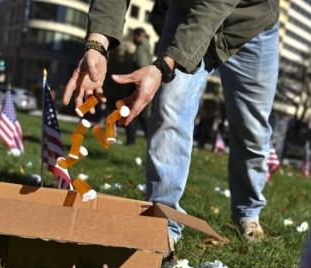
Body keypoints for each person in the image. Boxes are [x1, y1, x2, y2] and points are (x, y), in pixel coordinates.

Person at [64, 0, 279, 243]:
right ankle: (164, 221)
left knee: (252, 129)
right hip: (186, 13)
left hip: (250, 26)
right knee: (170, 106)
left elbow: (213, 6)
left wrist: (163, 67)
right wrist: (97, 46)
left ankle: (247, 211)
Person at [125, 27, 152, 146]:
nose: (133, 38)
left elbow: (142, 65)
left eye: (134, 36)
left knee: (131, 110)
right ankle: (149, 139)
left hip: (138, 85)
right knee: (142, 114)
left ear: (139, 36)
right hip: (145, 85)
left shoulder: (141, 48)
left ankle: (131, 140)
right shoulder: (146, 46)